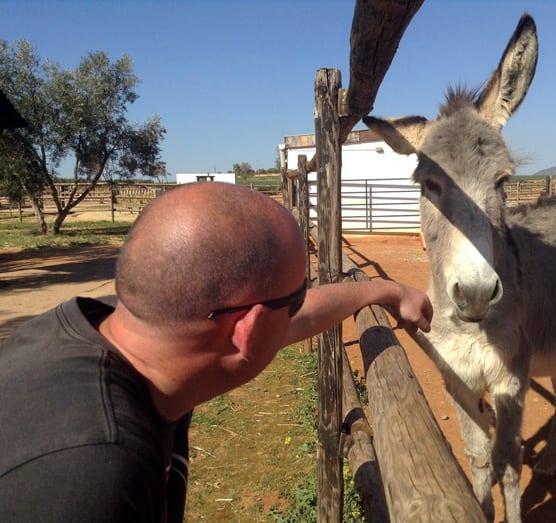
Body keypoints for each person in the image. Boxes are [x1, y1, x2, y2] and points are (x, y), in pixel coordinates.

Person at [0, 182, 432, 522]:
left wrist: (383, 289)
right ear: (250, 329)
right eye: (296, 298)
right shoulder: (93, 481)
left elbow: (283, 321)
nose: (301, 307)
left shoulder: (128, 327)